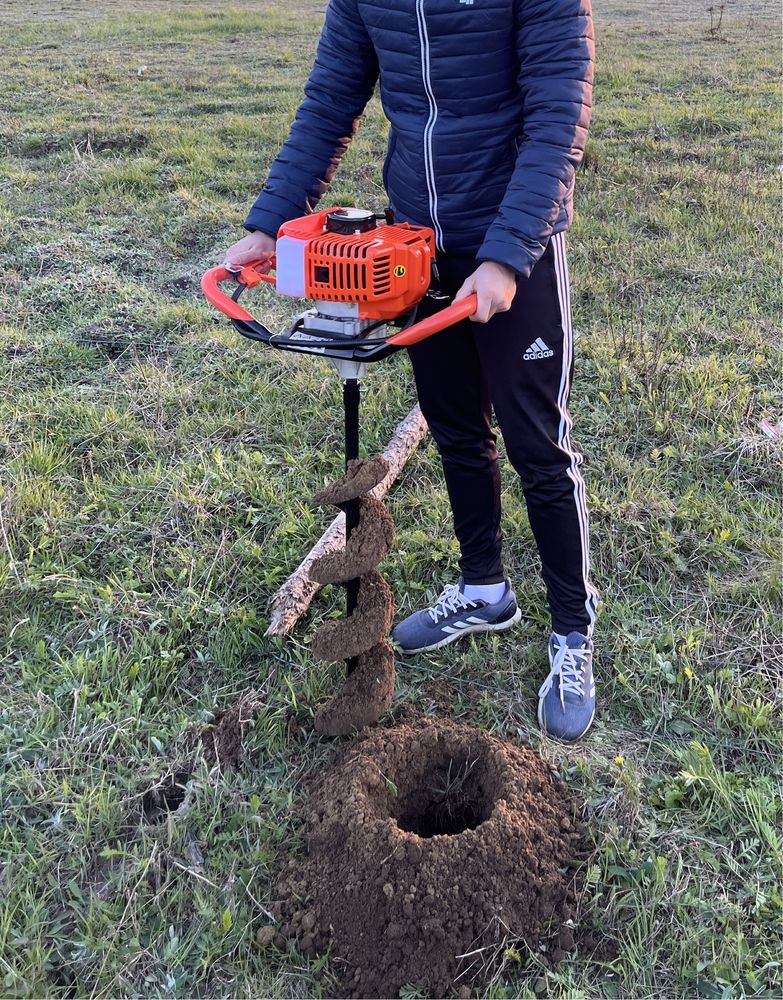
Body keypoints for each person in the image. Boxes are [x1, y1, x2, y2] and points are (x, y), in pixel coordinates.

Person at [223, 0, 598, 740]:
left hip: (509, 244)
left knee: (537, 448)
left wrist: (504, 255)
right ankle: (484, 588)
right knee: (456, 425)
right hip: (413, 243)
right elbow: (332, 96)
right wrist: (272, 222)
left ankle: (572, 634)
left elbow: (557, 114)